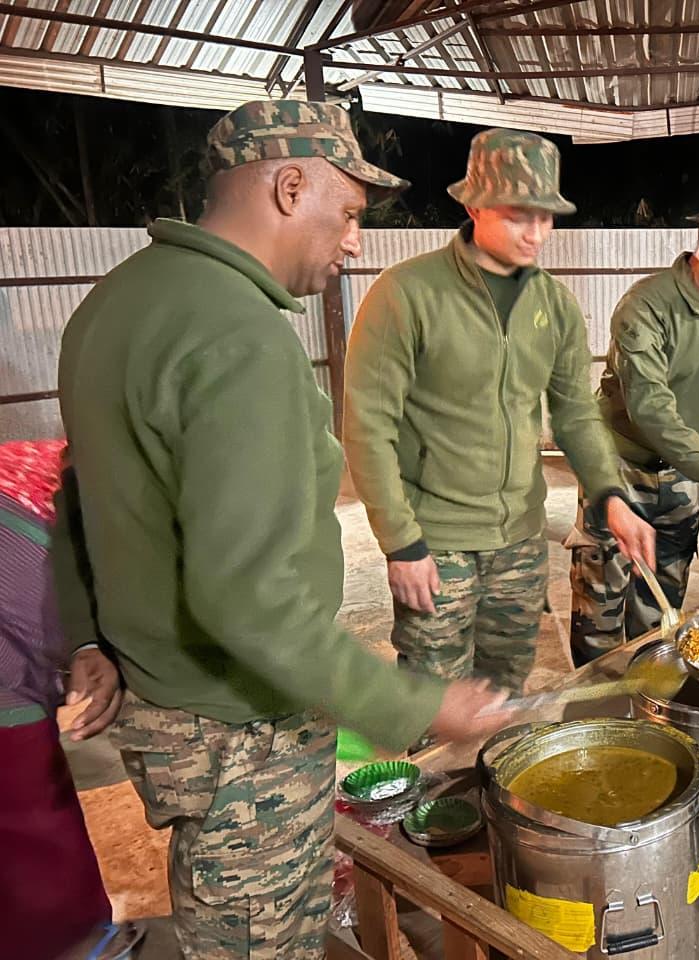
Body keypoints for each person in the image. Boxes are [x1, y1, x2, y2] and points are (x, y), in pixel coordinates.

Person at [54, 100, 512, 960]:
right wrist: (412, 700)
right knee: (257, 943)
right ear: (288, 184)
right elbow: (249, 599)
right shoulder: (238, 334)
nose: (353, 244)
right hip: (240, 732)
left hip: (161, 703)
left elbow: (81, 495)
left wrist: (88, 635)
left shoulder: (113, 303)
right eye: (346, 215)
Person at [343, 128, 655, 694]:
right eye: (518, 215)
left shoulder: (554, 305)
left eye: (547, 216)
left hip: (520, 540)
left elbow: (576, 412)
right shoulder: (406, 294)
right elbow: (368, 427)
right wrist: (400, 543)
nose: (536, 233)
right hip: (435, 541)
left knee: (504, 692)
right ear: (473, 204)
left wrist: (610, 495)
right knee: (433, 701)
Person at [568, 188, 699, 664]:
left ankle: (645, 700)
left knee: (662, 601)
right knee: (601, 601)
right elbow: (651, 408)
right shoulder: (646, 307)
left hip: (685, 477)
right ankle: (595, 708)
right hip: (618, 467)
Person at [0, 440, 118, 960]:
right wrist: (94, 650)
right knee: (29, 814)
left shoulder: (41, 469)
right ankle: (70, 941)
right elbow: (50, 627)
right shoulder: (26, 543)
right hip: (8, 688)